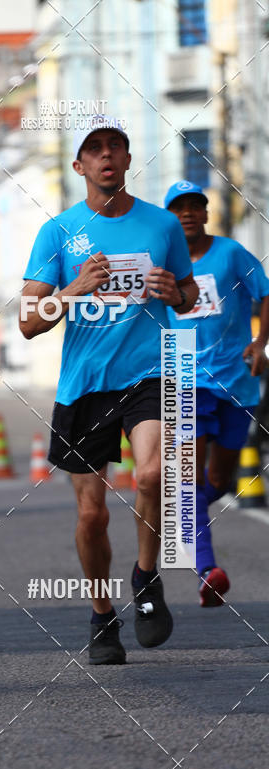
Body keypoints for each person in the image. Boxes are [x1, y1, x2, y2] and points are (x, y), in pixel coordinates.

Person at [20, 115, 198, 665]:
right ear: (79, 165)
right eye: (94, 149)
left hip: (151, 372)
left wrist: (175, 293)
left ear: (126, 159)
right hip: (86, 384)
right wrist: (74, 288)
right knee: (92, 515)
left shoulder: (161, 226)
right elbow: (28, 320)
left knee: (152, 474)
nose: (105, 156)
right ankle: (101, 615)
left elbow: (190, 293)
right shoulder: (59, 232)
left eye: (114, 146)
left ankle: (146, 577)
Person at [164, 180, 269, 605]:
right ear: (169, 219)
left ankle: (182, 516)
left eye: (195, 206)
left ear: (206, 214)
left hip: (236, 380)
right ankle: (207, 570)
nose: (187, 213)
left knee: (220, 481)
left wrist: (260, 343)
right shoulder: (161, 264)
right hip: (184, 381)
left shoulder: (231, 254)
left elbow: (266, 293)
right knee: (189, 480)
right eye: (179, 208)